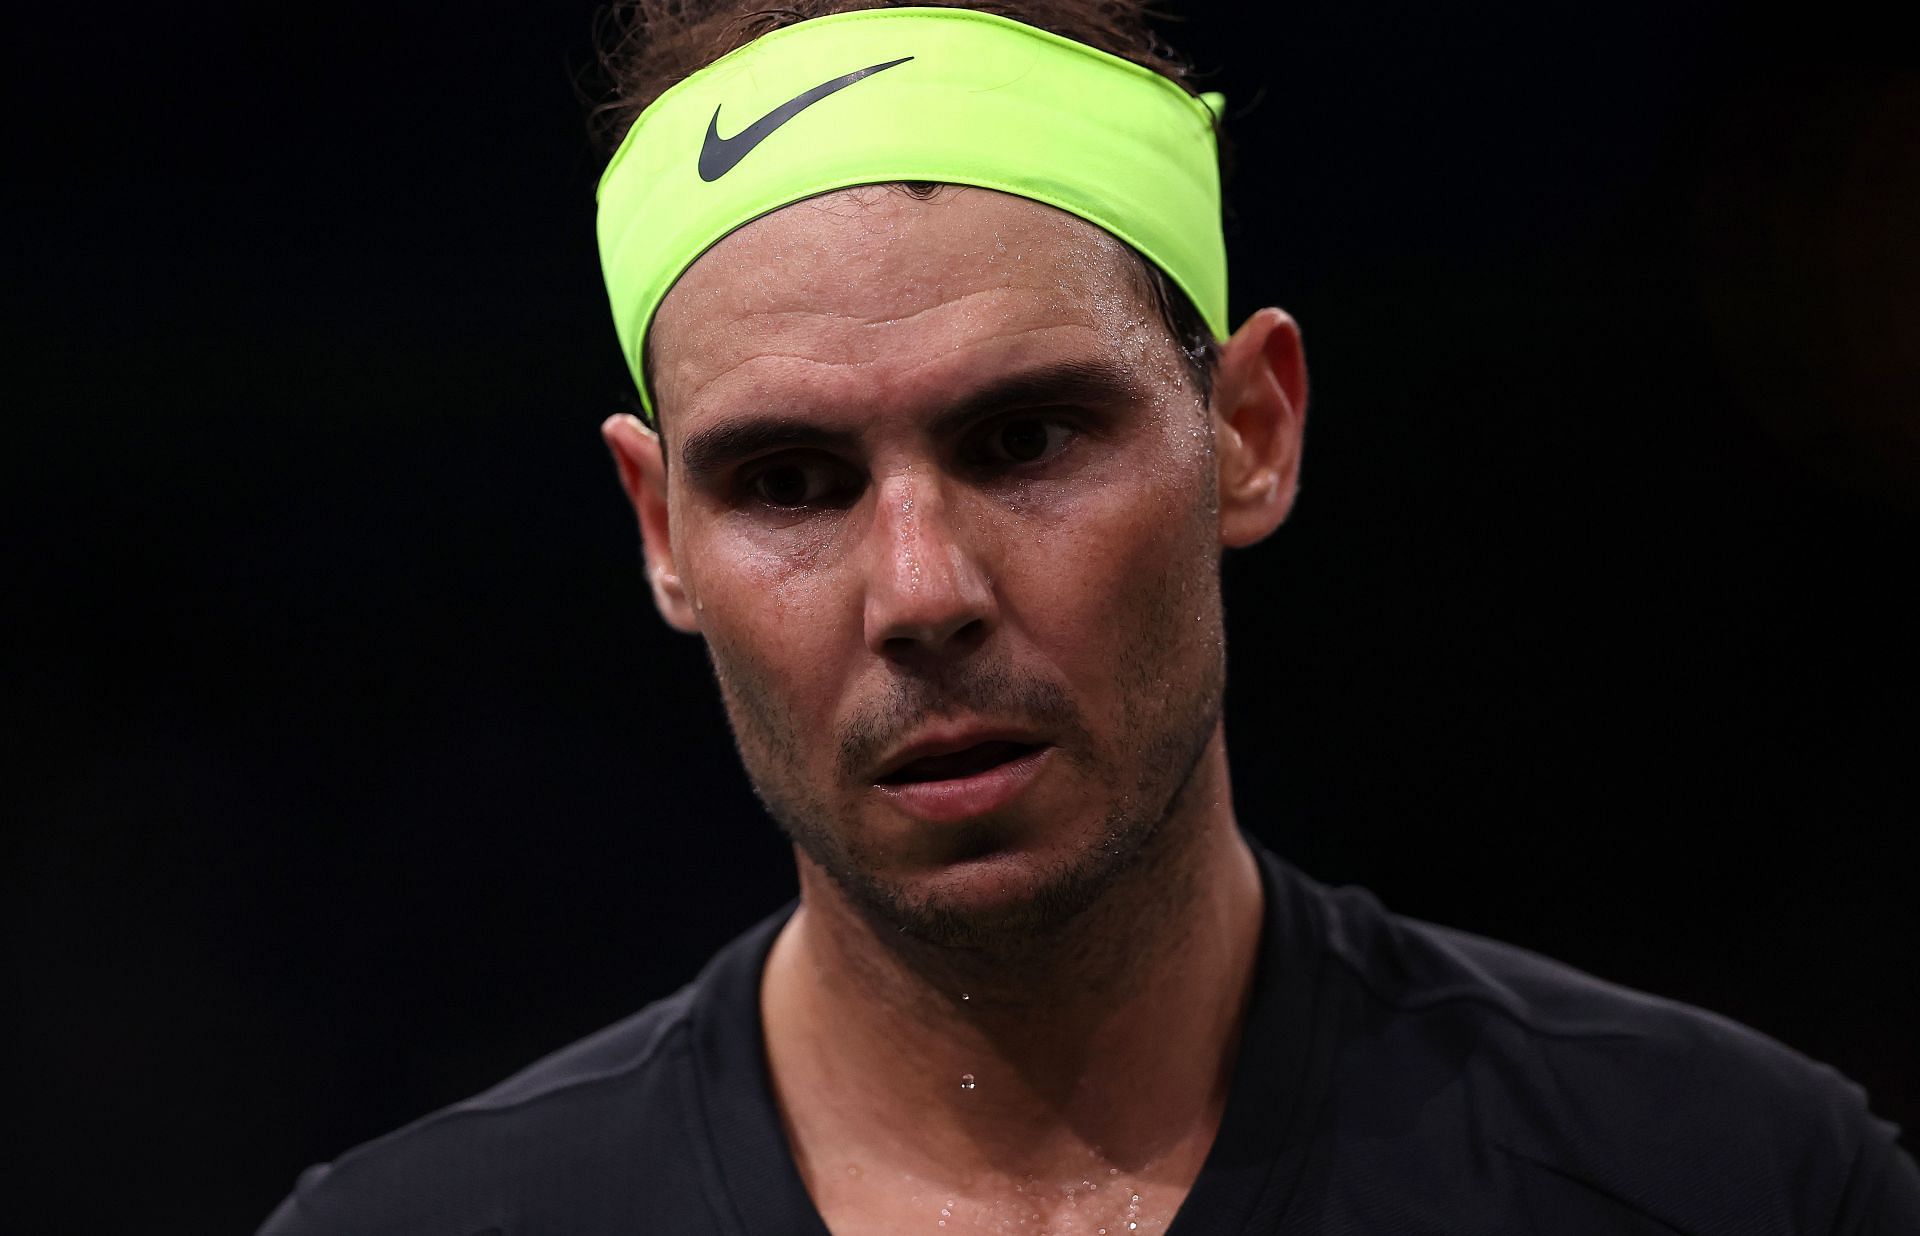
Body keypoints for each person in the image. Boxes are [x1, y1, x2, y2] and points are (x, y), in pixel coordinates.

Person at [259, 2, 1919, 1232]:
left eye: (1026, 438)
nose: (922, 593)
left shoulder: (1730, 1185)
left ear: (1249, 431)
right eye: (789, 480)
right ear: (659, 529)